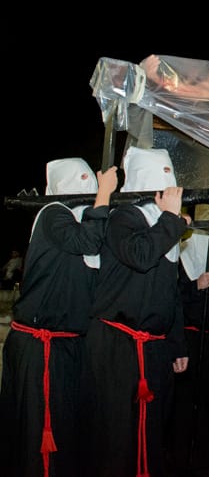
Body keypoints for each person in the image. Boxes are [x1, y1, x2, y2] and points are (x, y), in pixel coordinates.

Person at [0, 158, 118, 477]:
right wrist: (105, 195)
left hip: (64, 345)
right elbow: (87, 240)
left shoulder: (75, 224)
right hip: (41, 345)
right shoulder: (54, 214)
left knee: (66, 429)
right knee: (42, 435)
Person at [86, 146, 191, 477]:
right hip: (118, 346)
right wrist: (171, 220)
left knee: (152, 432)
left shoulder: (164, 226)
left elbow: (168, 292)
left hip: (154, 347)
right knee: (118, 435)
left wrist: (176, 344)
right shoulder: (124, 217)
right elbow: (142, 255)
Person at [166, 230, 209, 476]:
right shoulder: (182, 258)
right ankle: (180, 458)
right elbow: (172, 298)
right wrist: (196, 286)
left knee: (208, 403)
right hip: (187, 342)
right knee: (184, 404)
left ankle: (206, 458)